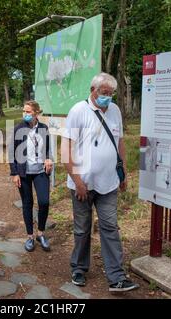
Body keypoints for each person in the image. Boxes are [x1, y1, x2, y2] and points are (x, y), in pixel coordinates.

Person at [62, 72, 139, 292]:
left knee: (110, 227)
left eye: (111, 93)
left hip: (108, 183)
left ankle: (116, 277)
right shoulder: (78, 111)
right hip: (82, 184)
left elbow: (120, 143)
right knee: (82, 229)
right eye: (104, 93)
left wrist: (123, 173)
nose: (108, 97)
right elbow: (66, 150)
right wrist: (77, 180)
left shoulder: (115, 111)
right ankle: (79, 267)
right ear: (93, 90)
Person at [10, 100, 53, 252]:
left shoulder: (43, 128)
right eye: (24, 111)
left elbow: (47, 150)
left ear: (36, 113)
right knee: (27, 203)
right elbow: (12, 153)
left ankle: (41, 233)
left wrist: (48, 159)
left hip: (41, 172)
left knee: (44, 202)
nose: (25, 114)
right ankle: (30, 236)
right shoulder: (18, 129)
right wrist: (14, 173)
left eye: (28, 111)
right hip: (24, 173)